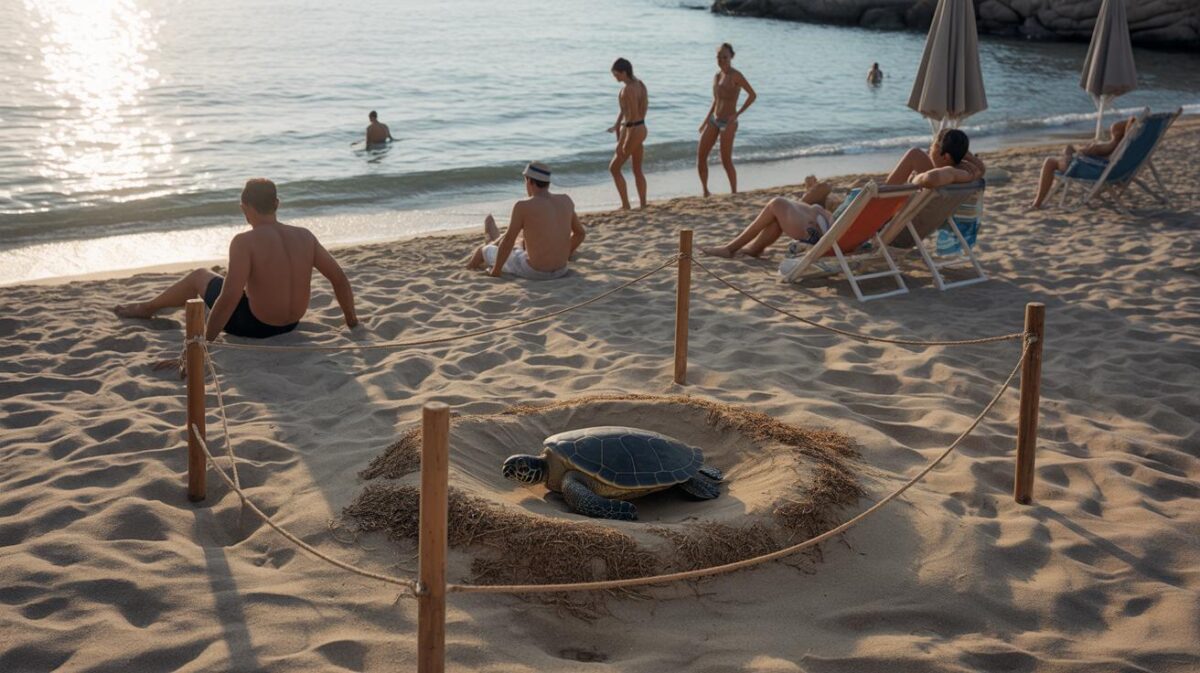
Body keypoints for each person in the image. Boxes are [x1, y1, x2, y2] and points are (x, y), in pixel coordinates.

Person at [113, 179, 359, 342]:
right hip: (291, 324)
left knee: (200, 275)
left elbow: (230, 297)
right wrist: (352, 323)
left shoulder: (244, 241)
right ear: (277, 204)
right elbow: (339, 279)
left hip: (255, 327)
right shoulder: (305, 236)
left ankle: (148, 308)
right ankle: (150, 307)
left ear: (244, 208)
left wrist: (204, 345)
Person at [466, 162, 586, 280]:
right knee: (520, 242)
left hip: (535, 272)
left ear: (529, 181)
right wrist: (564, 254)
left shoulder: (523, 206)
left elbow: (508, 241)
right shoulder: (566, 200)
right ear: (547, 183)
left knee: (484, 250)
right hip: (561, 270)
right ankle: (495, 235)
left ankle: (469, 268)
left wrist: (496, 271)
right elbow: (580, 234)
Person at [702, 176, 834, 258]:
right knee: (777, 216)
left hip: (817, 231)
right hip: (824, 226)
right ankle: (754, 249)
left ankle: (729, 249)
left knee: (777, 203)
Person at [1030, 116, 1134, 209]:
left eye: (1114, 129)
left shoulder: (1112, 146)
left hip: (1089, 169)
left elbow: (1092, 154)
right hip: (1099, 167)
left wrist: (1088, 150)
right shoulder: (1120, 146)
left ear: (1121, 132)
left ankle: (1037, 203)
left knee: (1050, 162)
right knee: (1068, 148)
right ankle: (1057, 186)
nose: (1112, 129)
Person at [698, 43, 756, 197]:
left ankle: (734, 193)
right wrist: (705, 122)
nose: (722, 60)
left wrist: (737, 114)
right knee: (701, 156)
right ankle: (705, 191)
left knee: (725, 160)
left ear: (731, 57)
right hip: (714, 120)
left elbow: (752, 95)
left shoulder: (735, 75)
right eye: (719, 57)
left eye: (725, 57)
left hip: (728, 122)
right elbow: (715, 101)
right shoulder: (717, 76)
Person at [607, 58, 649, 210]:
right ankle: (643, 204)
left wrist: (621, 142)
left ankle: (625, 204)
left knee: (614, 168)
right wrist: (617, 125)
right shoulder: (639, 84)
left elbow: (630, 117)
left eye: (616, 74)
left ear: (624, 72)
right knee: (637, 169)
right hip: (641, 128)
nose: (615, 77)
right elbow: (627, 111)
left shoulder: (627, 90)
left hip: (633, 129)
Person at [884, 128, 985, 189]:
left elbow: (933, 178)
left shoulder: (953, 172)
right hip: (938, 210)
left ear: (945, 157)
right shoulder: (969, 169)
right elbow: (981, 168)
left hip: (917, 217)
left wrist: (914, 180)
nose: (929, 150)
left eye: (933, 146)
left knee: (915, 154)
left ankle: (880, 200)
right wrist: (966, 155)